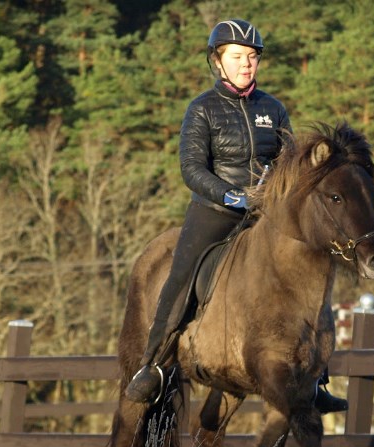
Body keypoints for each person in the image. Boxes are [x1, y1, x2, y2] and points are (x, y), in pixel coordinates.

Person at [125, 19, 348, 414]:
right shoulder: (201, 110)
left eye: (252, 57)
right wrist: (230, 195)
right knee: (181, 272)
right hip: (214, 210)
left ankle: (317, 378)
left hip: (265, 214)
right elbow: (192, 169)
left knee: (310, 262)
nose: (246, 64)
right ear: (218, 61)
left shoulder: (274, 108)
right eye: (237, 56)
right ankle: (154, 364)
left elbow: (289, 164)